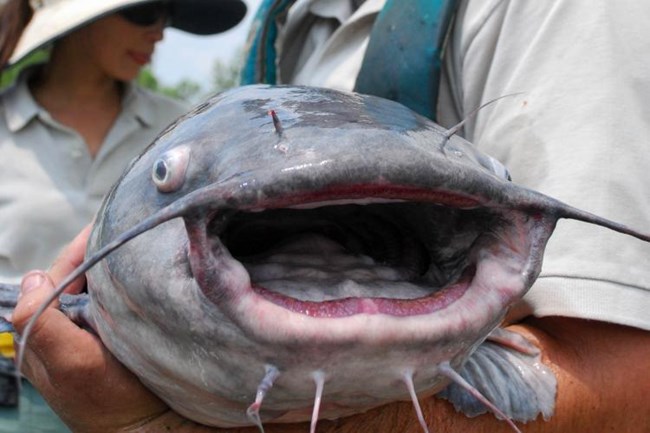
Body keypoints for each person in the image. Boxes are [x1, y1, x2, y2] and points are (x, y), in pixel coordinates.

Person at [9, 0, 650, 432]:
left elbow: (630, 382)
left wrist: (166, 422)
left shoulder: (567, 13)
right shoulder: (288, 21)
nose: (158, 29)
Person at [0, 0, 246, 431]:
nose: (159, 33)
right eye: (144, 12)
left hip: (151, 395)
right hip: (12, 397)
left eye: (168, 18)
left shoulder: (183, 132)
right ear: (80, 22)